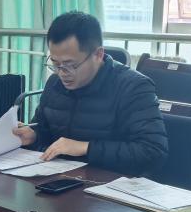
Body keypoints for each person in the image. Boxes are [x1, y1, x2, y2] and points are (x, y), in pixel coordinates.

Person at [13, 11, 168, 177]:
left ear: (98, 54)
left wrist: (86, 147)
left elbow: (152, 152)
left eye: (70, 65)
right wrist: (33, 135)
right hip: (60, 179)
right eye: (55, 64)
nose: (62, 73)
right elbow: (46, 131)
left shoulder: (133, 87)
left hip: (108, 183)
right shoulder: (55, 83)